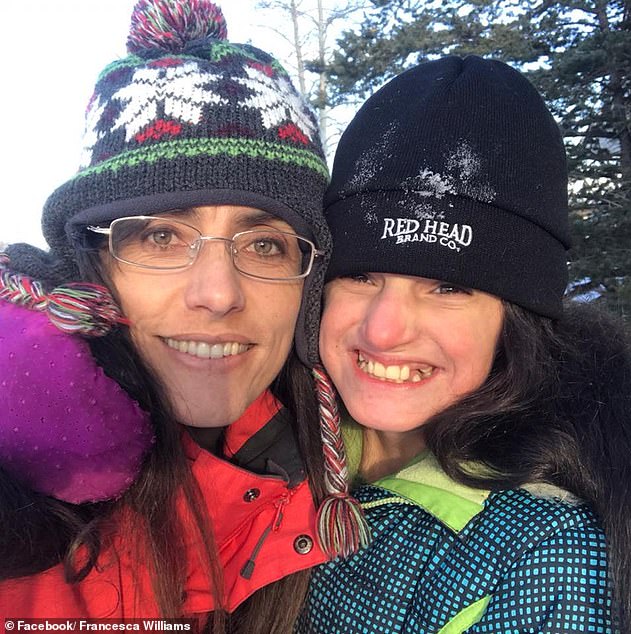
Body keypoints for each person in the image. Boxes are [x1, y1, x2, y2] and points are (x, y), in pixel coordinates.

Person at [0, 1, 366, 631]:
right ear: (90, 260)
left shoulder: (344, 481)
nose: (219, 293)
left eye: (264, 244)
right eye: (162, 237)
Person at [296, 56, 631, 633]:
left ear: (516, 319)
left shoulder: (542, 556)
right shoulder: (275, 450)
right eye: (362, 275)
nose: (383, 330)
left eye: (448, 286)